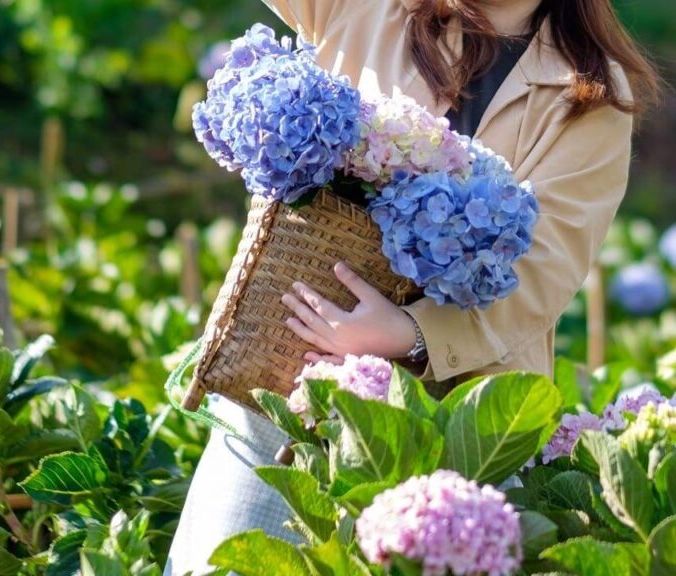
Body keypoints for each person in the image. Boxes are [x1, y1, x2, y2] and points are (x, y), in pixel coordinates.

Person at [164, 0, 661, 574]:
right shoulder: (369, 9)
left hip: (458, 429)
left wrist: (413, 333)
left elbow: (546, 267)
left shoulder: (591, 87)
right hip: (282, 382)